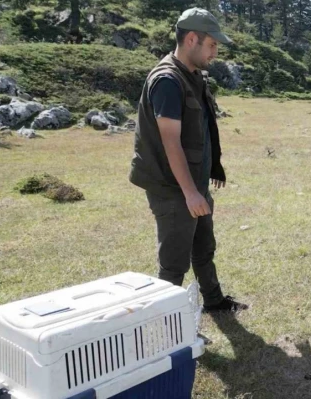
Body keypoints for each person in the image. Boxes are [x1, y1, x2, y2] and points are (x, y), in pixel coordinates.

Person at [129, 7, 247, 314]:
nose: (215, 52)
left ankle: (214, 301)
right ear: (192, 38)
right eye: (211, 45)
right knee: (174, 262)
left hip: (194, 181)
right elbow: (171, 143)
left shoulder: (192, 76)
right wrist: (190, 192)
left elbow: (203, 128)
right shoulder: (168, 81)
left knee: (203, 247)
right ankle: (161, 323)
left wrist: (208, 174)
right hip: (173, 187)